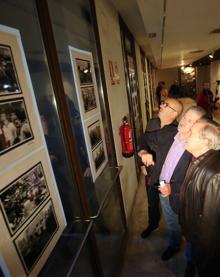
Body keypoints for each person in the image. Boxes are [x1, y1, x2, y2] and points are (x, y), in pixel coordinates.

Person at [158, 106, 206, 261]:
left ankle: (190, 261)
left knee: (189, 231)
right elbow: (146, 140)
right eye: (185, 116)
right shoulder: (170, 133)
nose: (184, 121)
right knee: (171, 224)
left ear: (198, 126)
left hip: (183, 198)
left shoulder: (197, 149)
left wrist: (174, 187)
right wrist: (142, 152)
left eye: (190, 120)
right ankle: (174, 245)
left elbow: (195, 180)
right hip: (162, 191)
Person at [179, 119, 220, 276]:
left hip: (204, 248)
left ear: (206, 141)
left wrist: (204, 258)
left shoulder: (215, 173)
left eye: (192, 132)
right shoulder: (198, 159)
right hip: (193, 236)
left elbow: (211, 227)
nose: (186, 134)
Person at [138, 98, 183, 239]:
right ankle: (153, 224)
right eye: (162, 102)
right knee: (151, 203)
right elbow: (143, 141)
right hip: (150, 174)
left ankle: (174, 240)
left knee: (169, 211)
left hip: (164, 179)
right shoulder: (152, 122)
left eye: (166, 105)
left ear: (174, 113)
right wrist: (142, 157)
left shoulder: (176, 133)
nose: (161, 105)